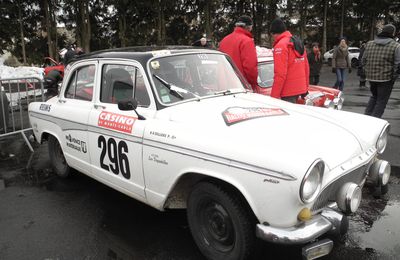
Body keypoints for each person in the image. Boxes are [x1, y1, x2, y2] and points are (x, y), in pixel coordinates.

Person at [362, 24, 400, 118]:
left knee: (374, 97)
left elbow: (363, 60)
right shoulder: (396, 46)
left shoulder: (370, 44)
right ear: (393, 33)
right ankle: (375, 121)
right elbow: (398, 64)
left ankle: (366, 118)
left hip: (371, 77)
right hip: (386, 79)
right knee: (381, 101)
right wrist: (394, 77)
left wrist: (367, 71)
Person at [269, 18, 309, 102]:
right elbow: (306, 67)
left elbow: (280, 73)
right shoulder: (298, 42)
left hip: (288, 90)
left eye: (272, 35)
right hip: (300, 88)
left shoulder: (280, 46)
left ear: (274, 33)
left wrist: (273, 97)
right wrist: (305, 88)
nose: (273, 38)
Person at [219, 15, 258, 92]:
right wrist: (253, 84)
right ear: (249, 27)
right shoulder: (247, 41)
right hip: (241, 86)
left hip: (224, 86)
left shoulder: (224, 40)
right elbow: (250, 67)